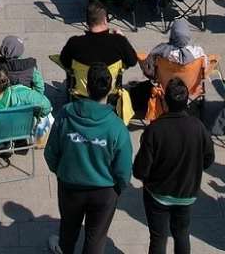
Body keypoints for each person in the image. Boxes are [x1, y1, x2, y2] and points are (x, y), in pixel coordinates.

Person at [45, 61, 133, 254]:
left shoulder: (65, 115)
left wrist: (61, 171)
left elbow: (51, 152)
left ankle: (64, 248)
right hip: (104, 190)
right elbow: (124, 168)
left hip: (70, 186)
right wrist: (119, 186)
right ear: (110, 87)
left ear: (86, 86)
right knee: (96, 237)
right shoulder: (117, 126)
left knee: (68, 228)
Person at [132, 77, 214, 254]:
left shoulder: (155, 129)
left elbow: (140, 170)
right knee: (182, 233)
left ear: (165, 102)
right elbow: (208, 159)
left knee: (158, 238)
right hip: (186, 193)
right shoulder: (198, 127)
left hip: (157, 194)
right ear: (186, 102)